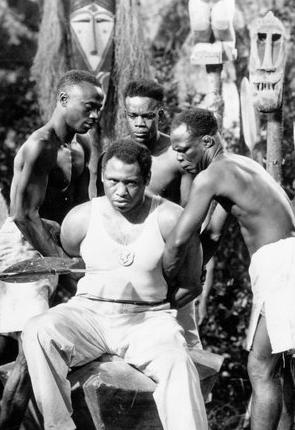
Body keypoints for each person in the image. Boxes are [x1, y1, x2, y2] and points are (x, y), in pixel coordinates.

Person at [22, 139, 207, 430]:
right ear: (102, 178)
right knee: (38, 329)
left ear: (147, 179)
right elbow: (71, 265)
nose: (120, 191)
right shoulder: (81, 218)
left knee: (178, 363)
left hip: (147, 319)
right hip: (89, 315)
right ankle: (59, 427)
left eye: (131, 183)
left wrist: (154, 309)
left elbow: (191, 284)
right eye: (113, 181)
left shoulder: (170, 218)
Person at [163, 108, 295, 430]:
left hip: (283, 264)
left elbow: (180, 239)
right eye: (175, 151)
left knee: (261, 367)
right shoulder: (241, 165)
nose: (179, 158)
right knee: (278, 366)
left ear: (207, 142)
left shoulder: (211, 175)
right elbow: (212, 234)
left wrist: (163, 281)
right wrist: (195, 272)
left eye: (183, 149)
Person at [0, 69, 102, 428]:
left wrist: (87, 257)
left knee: (44, 353)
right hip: (23, 246)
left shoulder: (83, 146)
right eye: (89, 107)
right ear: (63, 100)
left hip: (57, 245)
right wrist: (65, 266)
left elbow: (82, 211)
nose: (94, 115)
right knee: (28, 359)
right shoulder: (40, 146)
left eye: (99, 108)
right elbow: (23, 215)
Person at [95, 78, 201, 347]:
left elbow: (190, 216)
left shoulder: (177, 156)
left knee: (184, 346)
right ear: (125, 115)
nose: (139, 123)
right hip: (123, 265)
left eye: (147, 116)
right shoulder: (114, 158)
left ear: (160, 115)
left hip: (168, 265)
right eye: (133, 116)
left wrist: (190, 264)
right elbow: (100, 211)